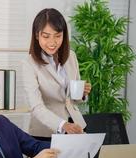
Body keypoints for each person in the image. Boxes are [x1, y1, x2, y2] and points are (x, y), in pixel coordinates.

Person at [22, 8, 92, 141]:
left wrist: (82, 93)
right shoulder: (29, 63)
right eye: (46, 36)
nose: (52, 42)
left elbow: (72, 99)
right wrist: (63, 125)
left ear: (63, 35)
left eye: (58, 36)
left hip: (76, 126)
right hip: (47, 132)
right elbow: (37, 107)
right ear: (37, 35)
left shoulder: (71, 56)